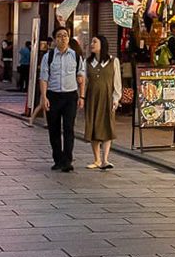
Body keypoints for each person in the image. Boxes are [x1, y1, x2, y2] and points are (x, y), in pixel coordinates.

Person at [39, 27, 85, 171]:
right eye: (59, 36)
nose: (63, 38)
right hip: (53, 95)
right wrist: (44, 97)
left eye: (65, 35)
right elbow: (44, 78)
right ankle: (57, 159)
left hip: (70, 96)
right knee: (54, 129)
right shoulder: (49, 57)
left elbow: (82, 76)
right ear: (54, 39)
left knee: (69, 128)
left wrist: (82, 96)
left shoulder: (75, 56)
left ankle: (67, 160)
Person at [84, 34, 119, 170]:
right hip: (92, 98)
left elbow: (117, 82)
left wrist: (116, 99)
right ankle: (97, 159)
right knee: (93, 127)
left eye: (94, 42)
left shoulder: (112, 61)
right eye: (92, 42)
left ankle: (105, 159)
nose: (92, 44)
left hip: (107, 98)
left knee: (107, 126)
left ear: (102, 45)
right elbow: (85, 82)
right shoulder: (87, 62)